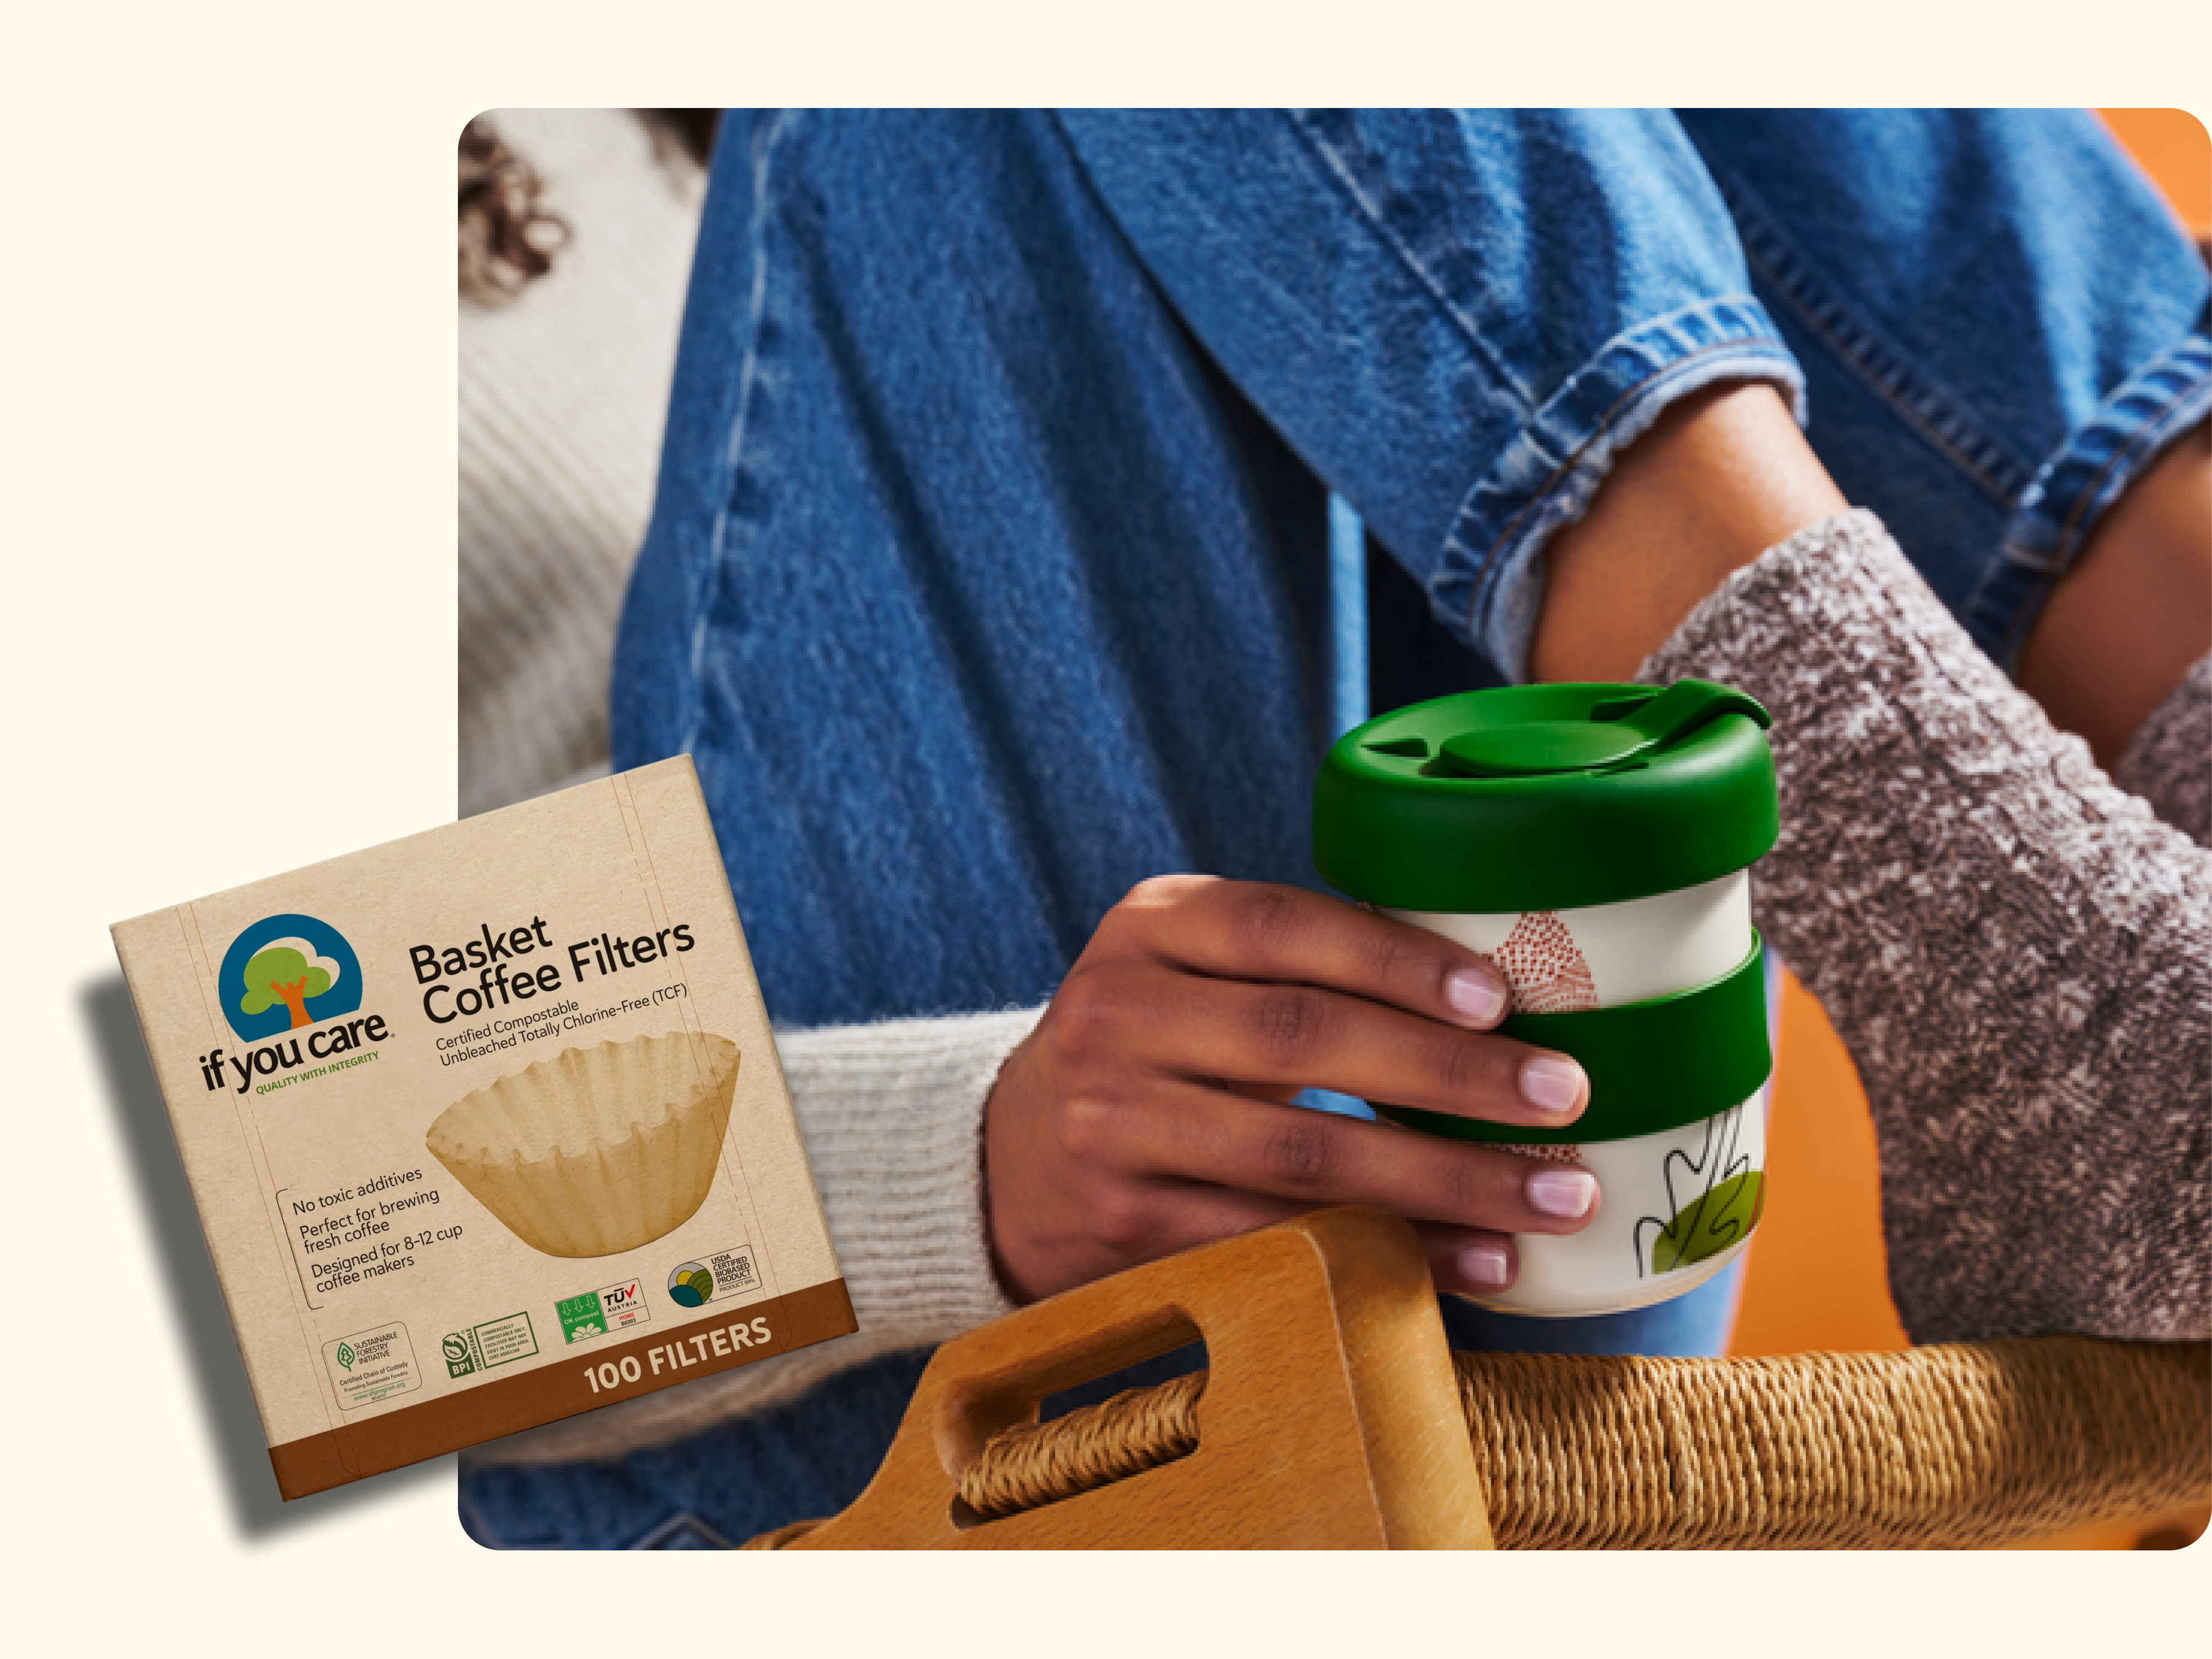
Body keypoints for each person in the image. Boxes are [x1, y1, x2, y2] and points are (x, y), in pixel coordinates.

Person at [458, 110, 2209, 1549]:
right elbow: (286, 1259)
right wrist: (957, 1155)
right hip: (851, 1385)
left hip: (1515, 1121)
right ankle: (2045, 991)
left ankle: (2097, 950)